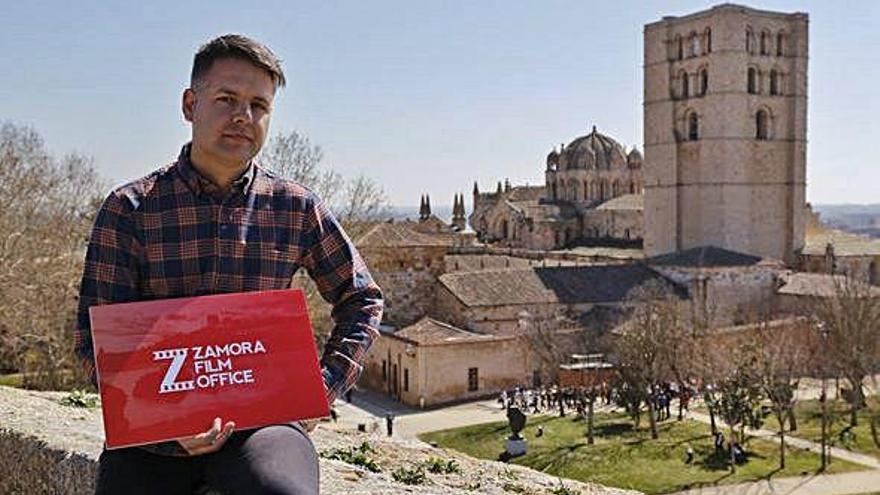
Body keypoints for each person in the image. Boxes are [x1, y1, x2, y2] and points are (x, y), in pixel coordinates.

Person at [74, 34, 383, 495]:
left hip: (265, 427)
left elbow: (362, 298)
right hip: (153, 438)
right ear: (189, 105)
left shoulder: (295, 207)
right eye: (227, 99)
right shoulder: (130, 209)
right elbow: (94, 341)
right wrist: (162, 417)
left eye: (259, 105)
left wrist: (320, 390)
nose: (244, 116)